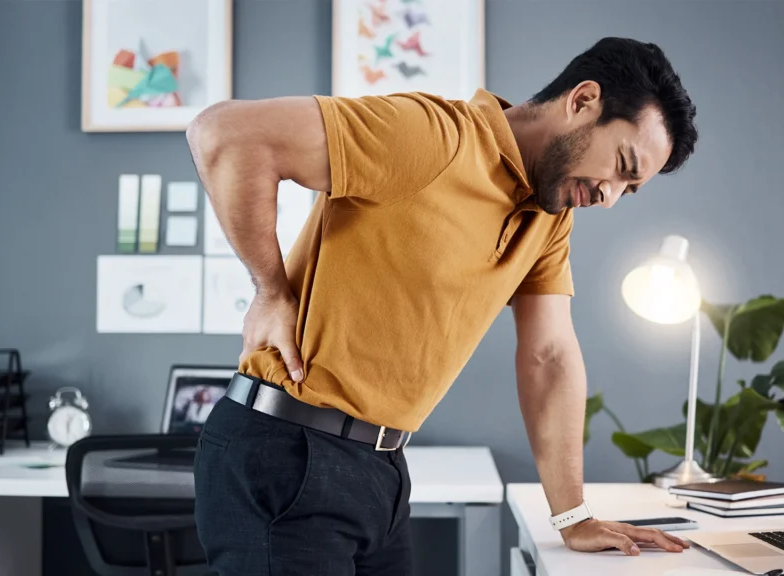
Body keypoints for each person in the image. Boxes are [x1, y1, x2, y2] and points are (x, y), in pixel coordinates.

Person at [187, 36, 699, 575]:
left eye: (630, 188)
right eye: (621, 165)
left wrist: (573, 515)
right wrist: (270, 291)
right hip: (286, 454)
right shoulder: (433, 137)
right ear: (583, 100)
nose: (610, 196)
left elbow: (549, 356)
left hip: (381, 468)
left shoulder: (549, 220)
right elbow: (225, 134)